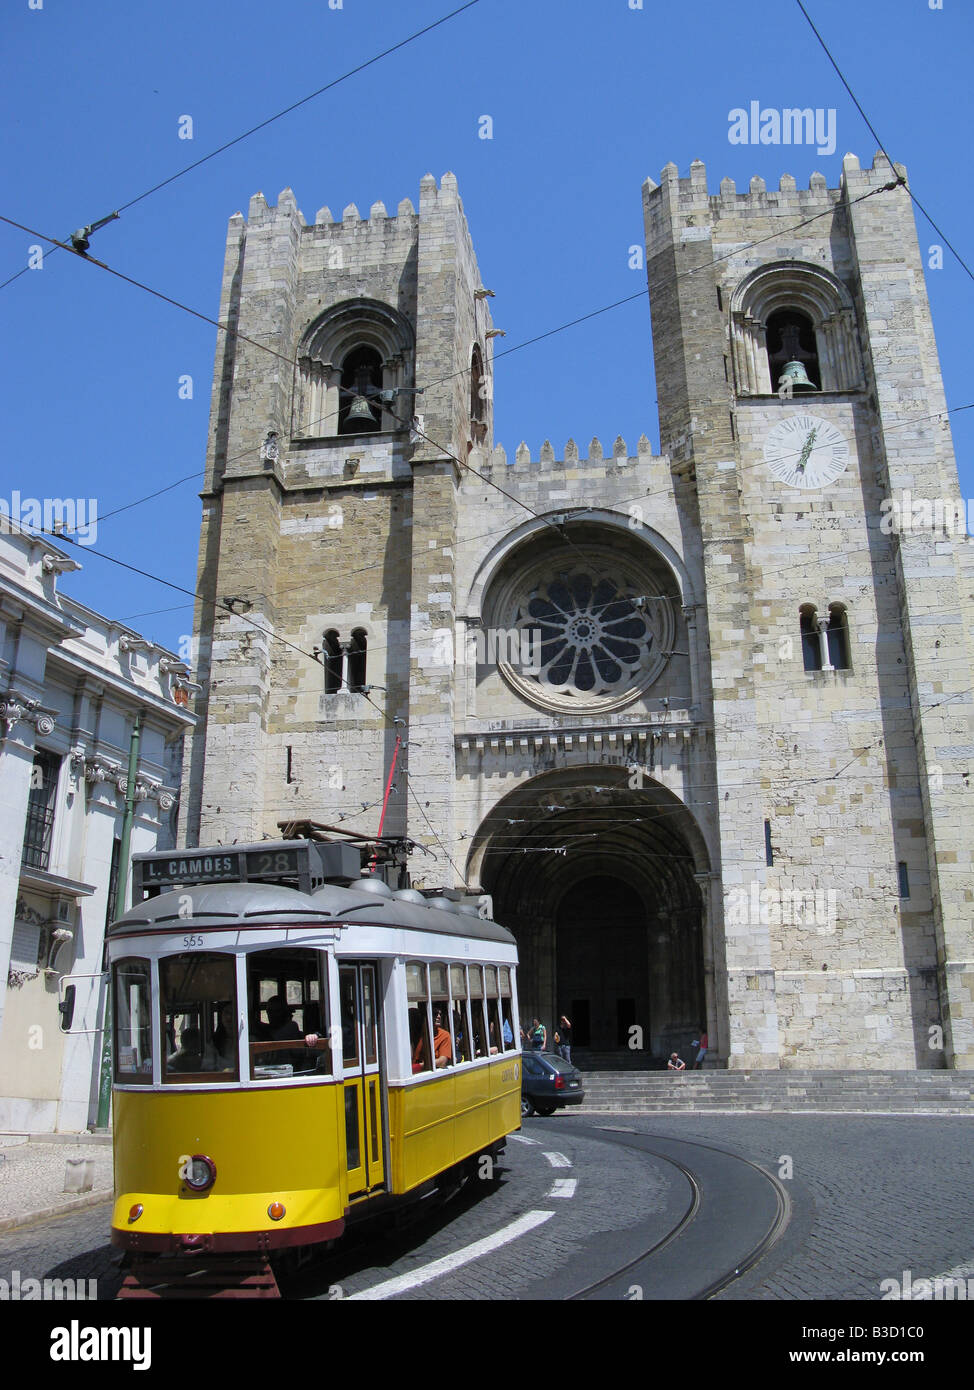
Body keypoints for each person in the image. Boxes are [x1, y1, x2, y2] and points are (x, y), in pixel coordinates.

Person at [204, 1002, 237, 1071]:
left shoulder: (249, 1040)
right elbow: (207, 1068)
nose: (228, 1017)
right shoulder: (215, 1041)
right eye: (226, 1012)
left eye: (232, 1013)